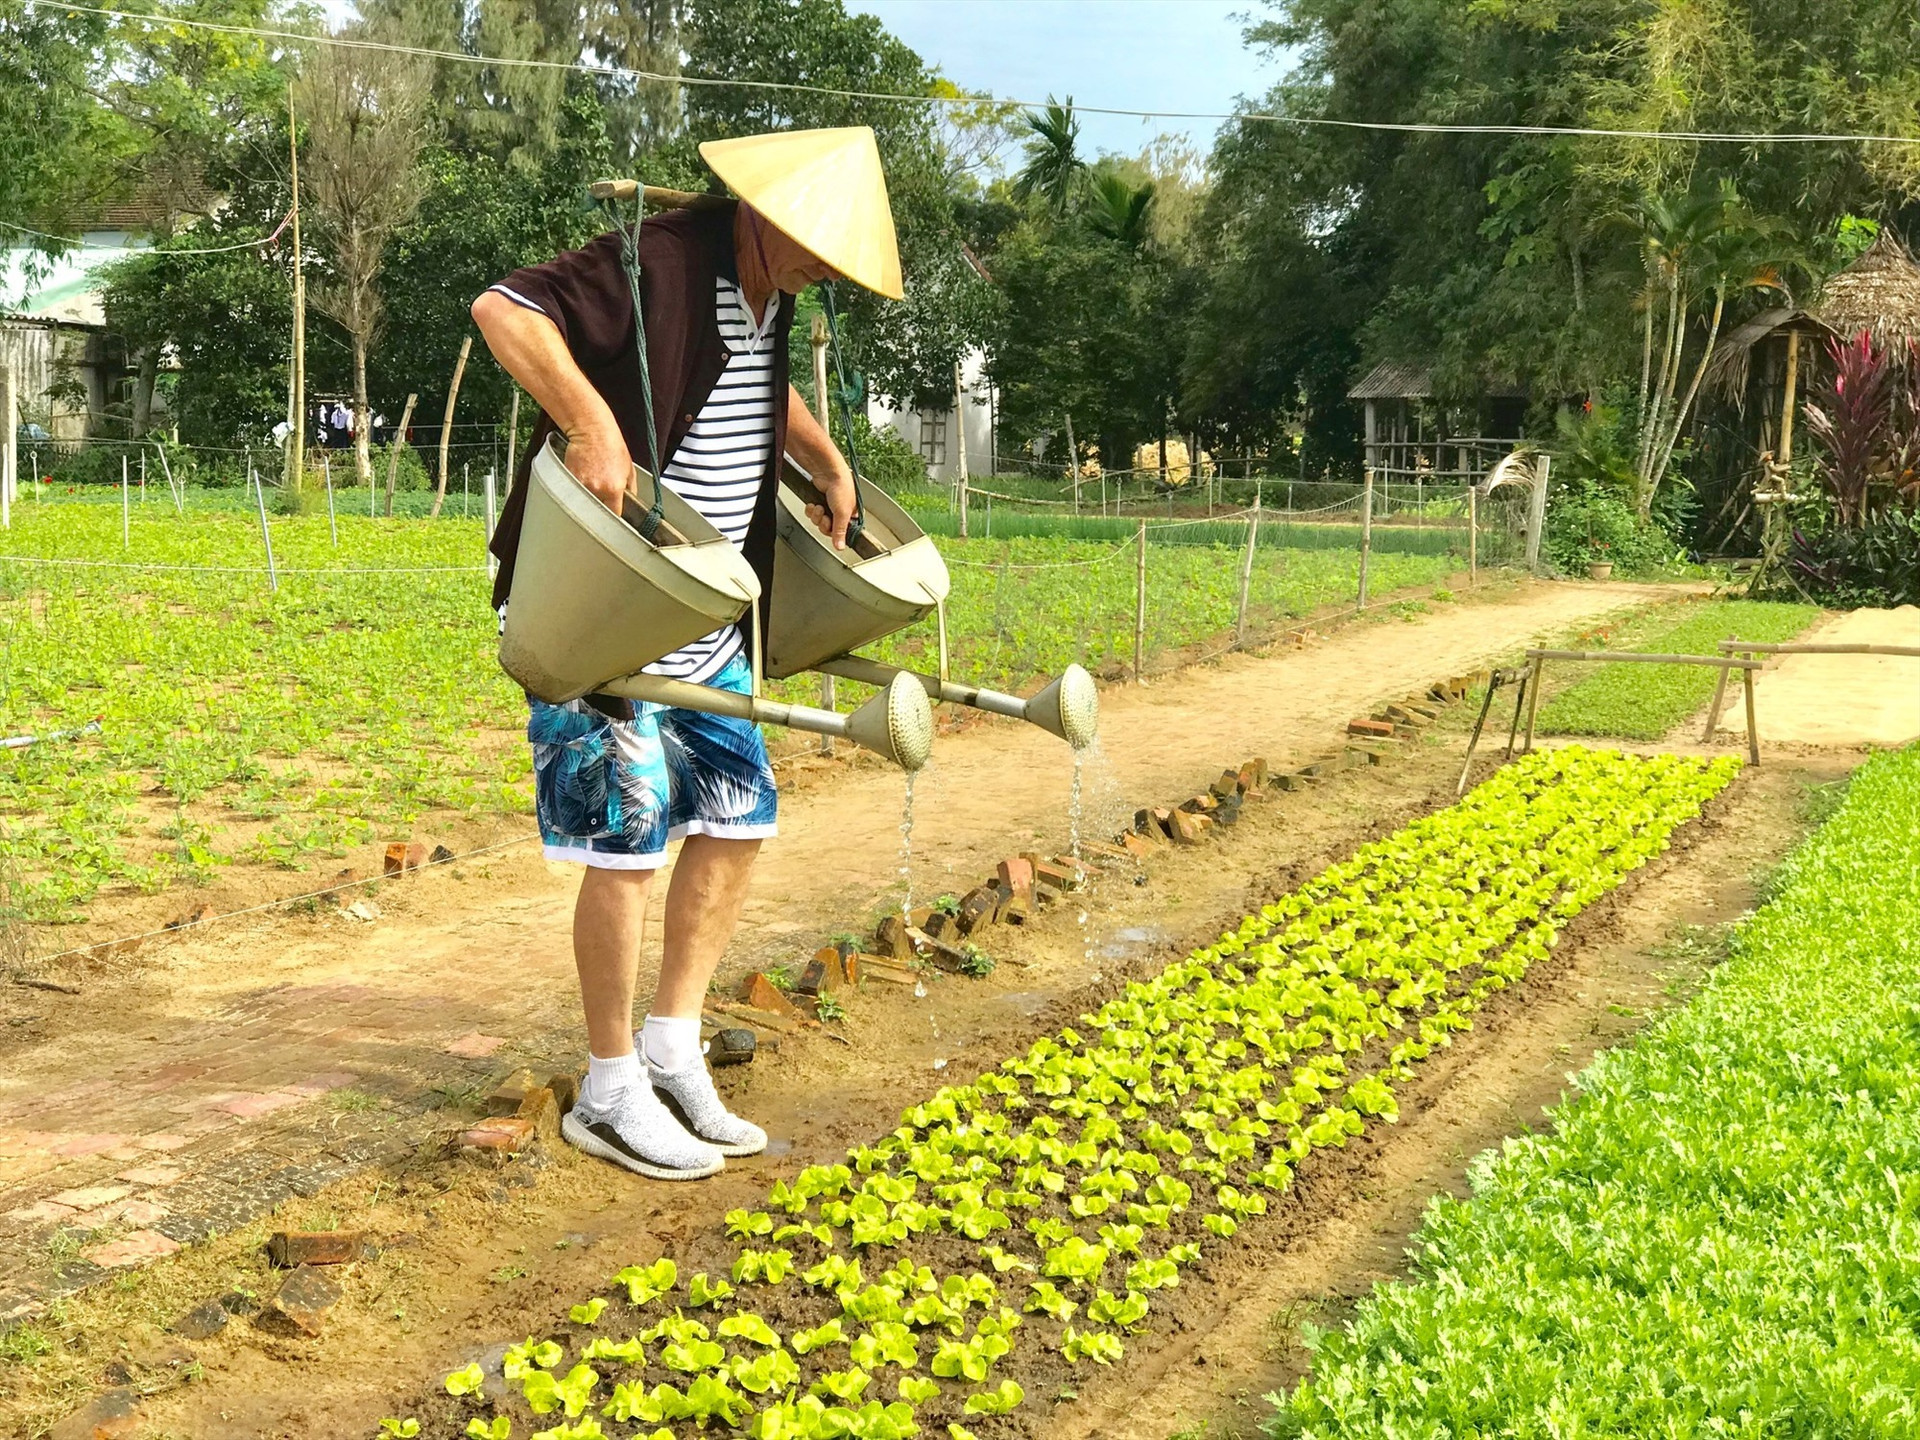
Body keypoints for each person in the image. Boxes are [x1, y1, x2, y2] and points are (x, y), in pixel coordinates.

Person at [471, 127, 904, 1181]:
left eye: (833, 262)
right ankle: (610, 1086)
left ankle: (673, 1043)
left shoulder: (769, 290)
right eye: (812, 248)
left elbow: (755, 382)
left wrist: (826, 457)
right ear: (763, 213)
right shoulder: (654, 260)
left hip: (713, 617)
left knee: (735, 817)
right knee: (626, 836)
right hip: (607, 600)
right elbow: (503, 309)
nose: (818, 270)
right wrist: (588, 422)